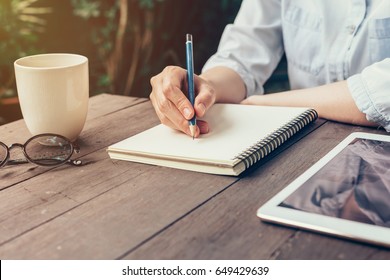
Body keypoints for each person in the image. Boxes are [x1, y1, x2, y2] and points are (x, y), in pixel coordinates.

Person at [149, 0, 390, 138]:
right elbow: (245, 51)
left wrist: (261, 104)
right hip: (304, 146)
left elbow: (382, 90)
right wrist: (208, 85)